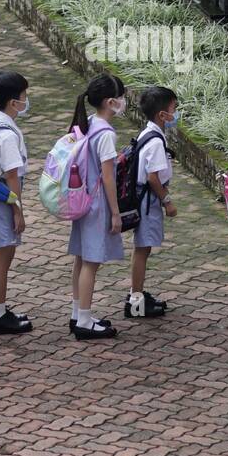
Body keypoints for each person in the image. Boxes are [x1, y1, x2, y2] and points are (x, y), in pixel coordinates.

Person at [67, 74, 126, 340]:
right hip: (96, 204)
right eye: (122, 98)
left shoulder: (89, 124)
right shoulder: (106, 134)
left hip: (82, 201)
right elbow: (108, 177)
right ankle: (84, 321)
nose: (124, 102)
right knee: (92, 262)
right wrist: (116, 212)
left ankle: (78, 313)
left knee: (81, 259)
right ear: (111, 102)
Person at [0, 71, 33, 336]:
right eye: (24, 96)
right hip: (2, 203)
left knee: (0, 257)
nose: (26, 101)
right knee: (2, 259)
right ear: (13, 102)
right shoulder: (7, 135)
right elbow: (12, 176)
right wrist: (18, 213)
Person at [125, 86, 179, 319]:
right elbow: (153, 177)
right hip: (148, 202)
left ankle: (137, 294)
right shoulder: (156, 141)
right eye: (173, 109)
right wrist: (167, 201)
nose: (175, 114)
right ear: (162, 115)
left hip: (144, 199)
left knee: (142, 249)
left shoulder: (148, 133)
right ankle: (135, 303)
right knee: (142, 250)